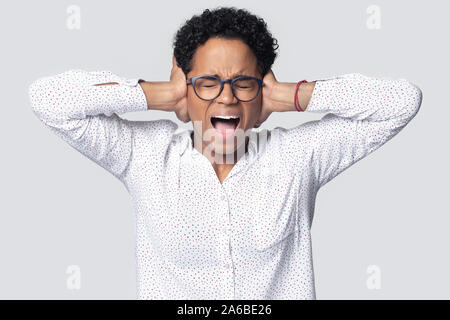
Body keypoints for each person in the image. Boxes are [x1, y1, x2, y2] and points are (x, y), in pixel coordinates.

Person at [29, 7, 422, 299]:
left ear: (263, 89)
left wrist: (293, 95)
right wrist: (160, 94)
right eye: (208, 82)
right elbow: (47, 99)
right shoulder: (145, 155)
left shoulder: (295, 159)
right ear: (185, 86)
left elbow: (401, 102)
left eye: (243, 83)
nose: (227, 97)